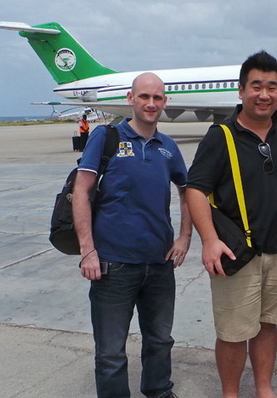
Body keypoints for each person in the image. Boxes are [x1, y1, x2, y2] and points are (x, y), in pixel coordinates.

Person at [186, 51, 277, 398]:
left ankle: (264, 388)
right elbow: (195, 190)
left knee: (267, 323)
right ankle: (230, 393)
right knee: (232, 331)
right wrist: (209, 241)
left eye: (272, 87)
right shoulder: (220, 136)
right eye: (256, 86)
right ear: (241, 90)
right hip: (236, 252)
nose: (264, 94)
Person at [73, 72, 191, 398]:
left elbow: (187, 191)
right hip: (113, 263)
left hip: (159, 263)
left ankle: (158, 391)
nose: (151, 104)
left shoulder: (168, 147)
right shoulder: (107, 136)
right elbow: (81, 191)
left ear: (164, 102)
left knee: (160, 339)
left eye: (157, 98)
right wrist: (87, 251)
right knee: (110, 350)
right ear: (131, 98)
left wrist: (184, 238)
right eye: (144, 97)